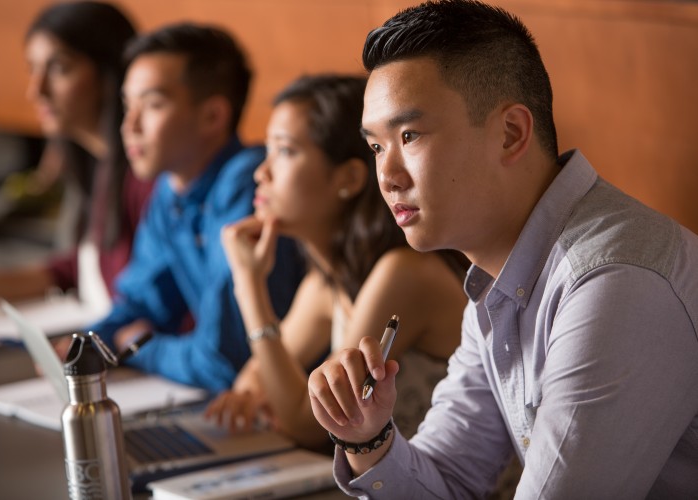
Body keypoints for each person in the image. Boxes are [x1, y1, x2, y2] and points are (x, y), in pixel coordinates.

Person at [307, 1, 698, 498]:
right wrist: (369, 436)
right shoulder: (500, 274)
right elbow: (450, 480)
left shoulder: (616, 283)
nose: (387, 177)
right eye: (377, 146)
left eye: (410, 135)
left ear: (511, 134)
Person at [205, 75, 468, 447]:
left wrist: (249, 286)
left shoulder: (405, 273)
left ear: (348, 177)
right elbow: (253, 380)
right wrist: (253, 392)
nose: (260, 173)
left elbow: (308, 423)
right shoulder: (324, 285)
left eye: (285, 151)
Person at [90, 23, 304, 391]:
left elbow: (225, 361)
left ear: (213, 116)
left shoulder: (249, 188)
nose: (130, 126)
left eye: (153, 105)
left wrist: (138, 347)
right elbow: (142, 300)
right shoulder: (169, 189)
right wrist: (90, 343)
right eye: (128, 106)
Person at [0, 1, 153, 307]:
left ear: (110, 75)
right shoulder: (96, 165)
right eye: (32, 69)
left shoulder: (146, 179)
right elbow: (82, 267)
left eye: (58, 68)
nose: (36, 90)